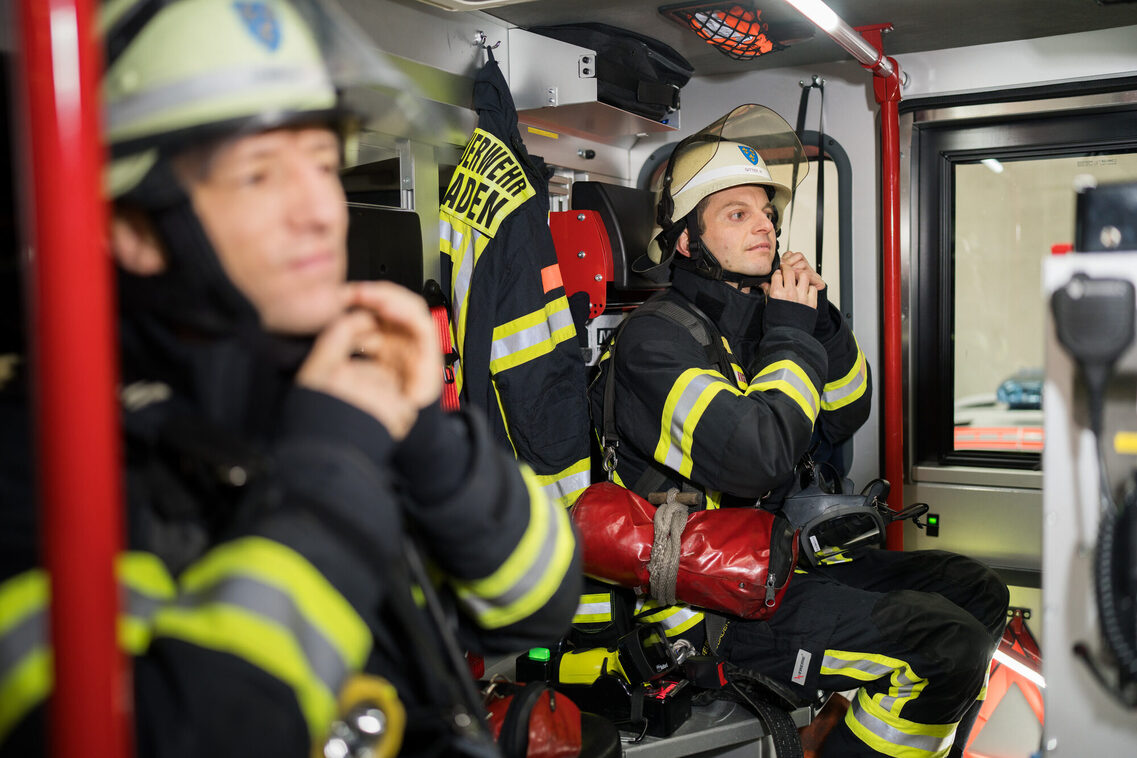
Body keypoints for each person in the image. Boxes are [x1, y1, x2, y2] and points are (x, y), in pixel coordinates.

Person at [0, 0, 580, 755]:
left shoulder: (319, 384)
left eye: (322, 164)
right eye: (259, 175)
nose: (320, 211)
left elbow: (538, 607)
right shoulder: (40, 471)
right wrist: (335, 464)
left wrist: (431, 442)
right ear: (136, 229)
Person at [587, 104, 1008, 758]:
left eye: (765, 212)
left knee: (977, 591)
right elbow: (756, 459)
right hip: (703, 603)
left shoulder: (754, 325)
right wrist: (789, 330)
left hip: (778, 560)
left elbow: (843, 413)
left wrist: (822, 323)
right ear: (686, 242)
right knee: (942, 648)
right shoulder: (654, 342)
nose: (765, 225)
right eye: (736, 214)